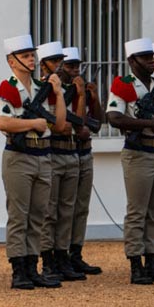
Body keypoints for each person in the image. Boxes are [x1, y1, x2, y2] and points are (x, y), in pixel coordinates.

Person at [106, 37, 154, 285]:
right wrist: (146, 123)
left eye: (152, 57)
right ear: (132, 61)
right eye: (145, 58)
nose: (151, 62)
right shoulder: (124, 83)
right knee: (137, 211)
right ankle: (136, 262)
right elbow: (114, 117)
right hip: (139, 152)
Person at [0, 35, 66, 290]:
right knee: (19, 215)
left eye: (32, 55)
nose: (31, 59)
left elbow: (58, 124)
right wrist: (32, 123)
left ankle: (33, 266)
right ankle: (18, 269)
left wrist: (58, 93)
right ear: (12, 61)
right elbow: (1, 122)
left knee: (38, 215)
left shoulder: (40, 88)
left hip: (43, 155)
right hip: (19, 156)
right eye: (25, 56)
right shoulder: (7, 88)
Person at [36, 41, 86, 282]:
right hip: (53, 152)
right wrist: (58, 127)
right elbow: (47, 122)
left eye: (60, 62)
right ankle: (48, 260)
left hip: (71, 152)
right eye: (56, 62)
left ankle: (62, 256)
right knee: (50, 211)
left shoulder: (67, 90)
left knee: (67, 210)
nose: (59, 67)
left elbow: (79, 123)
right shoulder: (39, 89)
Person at [60, 47, 102, 274]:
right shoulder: (58, 91)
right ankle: (61, 254)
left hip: (84, 153)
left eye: (77, 66)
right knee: (63, 208)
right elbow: (78, 123)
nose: (75, 70)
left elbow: (98, 120)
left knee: (81, 208)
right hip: (66, 151)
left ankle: (76, 253)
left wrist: (91, 97)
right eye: (70, 66)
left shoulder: (82, 90)